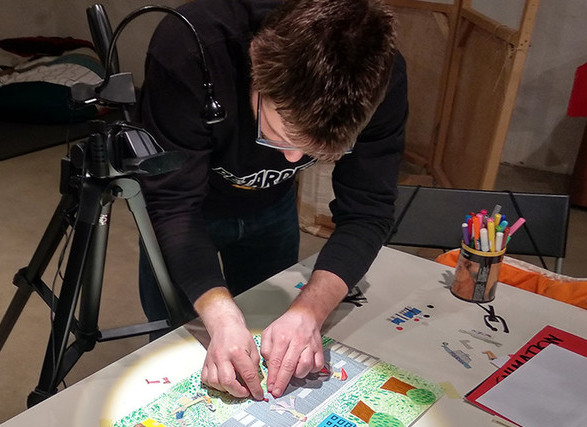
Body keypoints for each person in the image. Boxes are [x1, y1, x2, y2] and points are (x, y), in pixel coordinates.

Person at [136, 0, 407, 401]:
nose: (293, 159)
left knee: (266, 323)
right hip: (187, 213)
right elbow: (172, 205)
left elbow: (369, 210)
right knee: (174, 345)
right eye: (278, 136)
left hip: (273, 209)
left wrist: (309, 311)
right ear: (256, 64)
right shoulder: (191, 48)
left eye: (312, 151)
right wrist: (221, 316)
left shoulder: (380, 72)